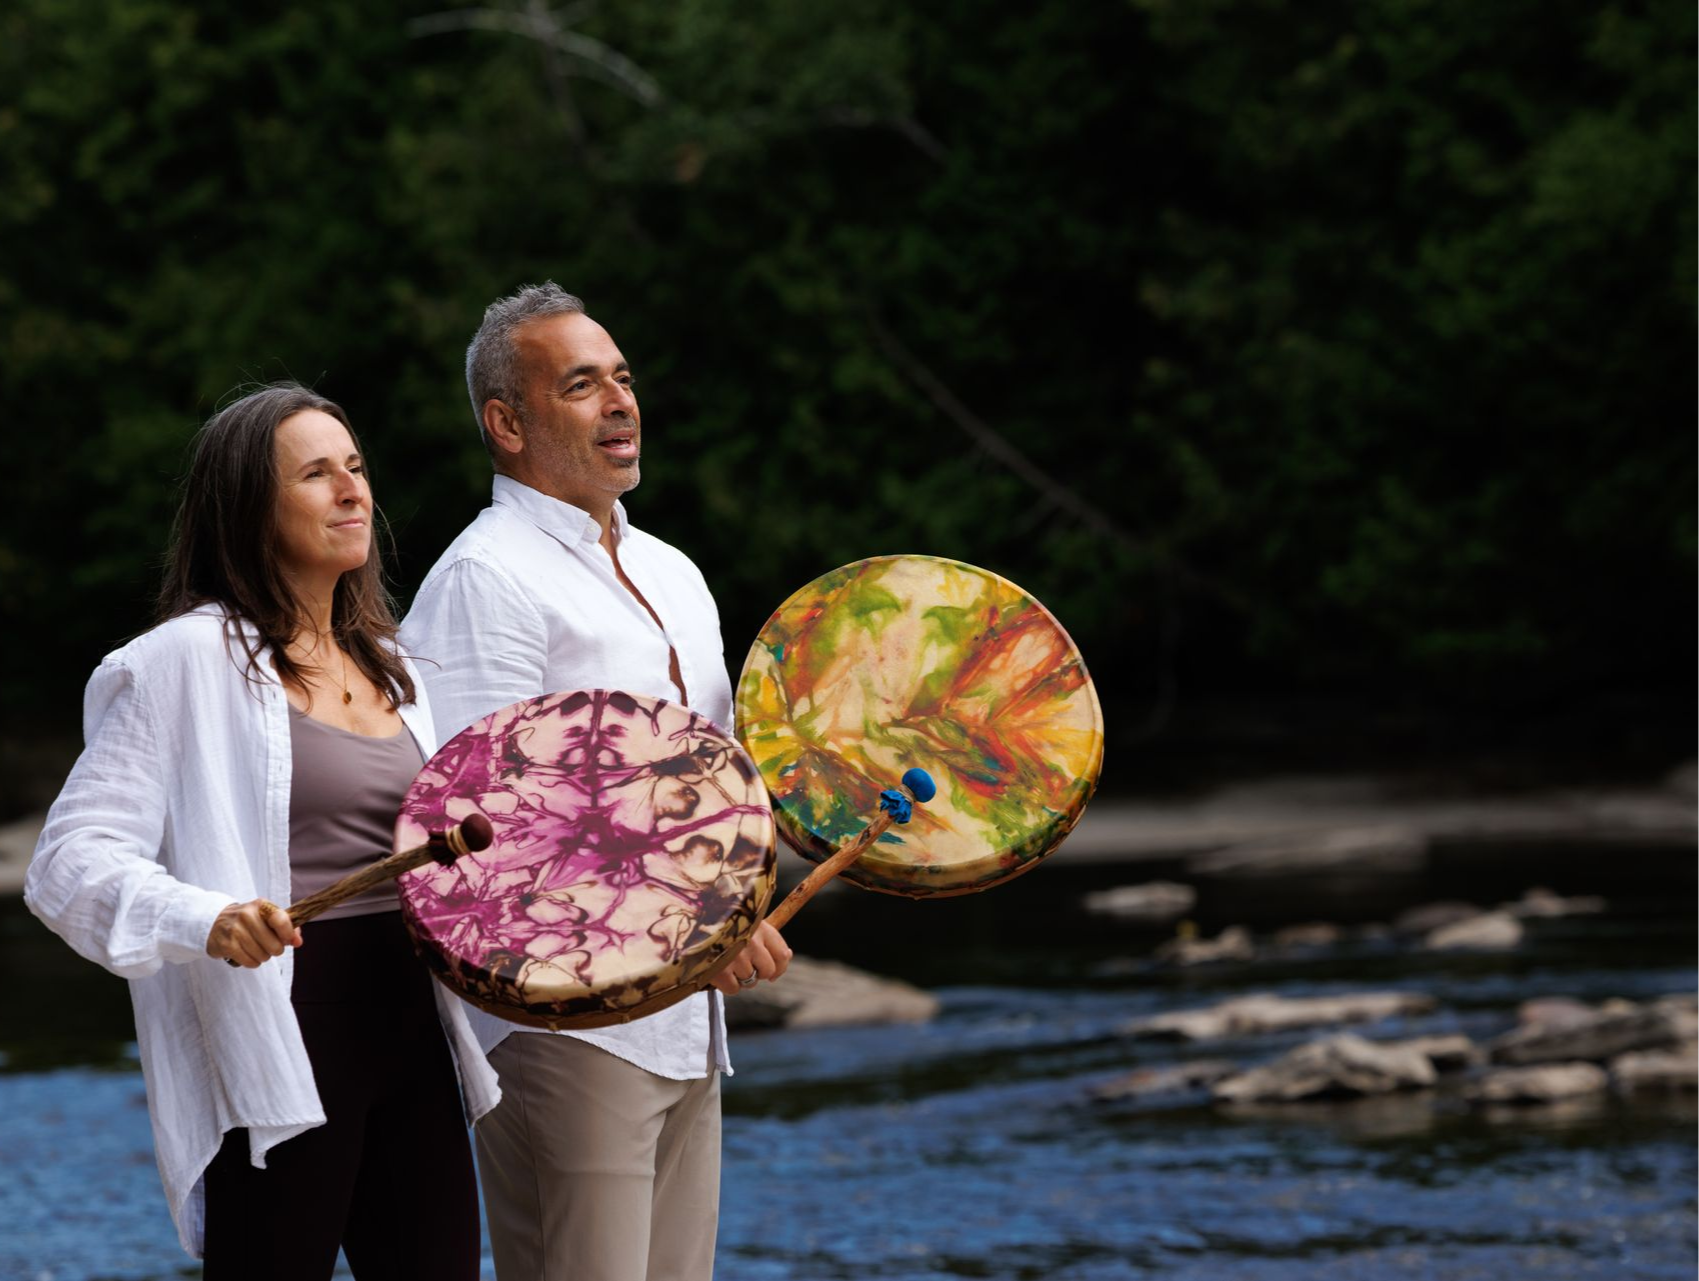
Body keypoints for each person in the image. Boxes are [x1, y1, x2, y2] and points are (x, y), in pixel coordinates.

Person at [25, 383, 499, 1278]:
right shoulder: (177, 663)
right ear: (248, 507)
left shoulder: (396, 670)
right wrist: (204, 916)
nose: (353, 491)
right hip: (283, 1028)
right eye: (316, 475)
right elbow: (68, 863)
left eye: (355, 468)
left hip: (415, 1021)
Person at [400, 282, 792, 1281]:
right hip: (558, 1033)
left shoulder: (674, 572)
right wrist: (704, 925)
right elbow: (484, 841)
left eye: (621, 377)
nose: (621, 401)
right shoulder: (483, 579)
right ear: (507, 424)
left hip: (683, 1023)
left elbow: (725, 788)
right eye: (582, 386)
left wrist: (761, 885)